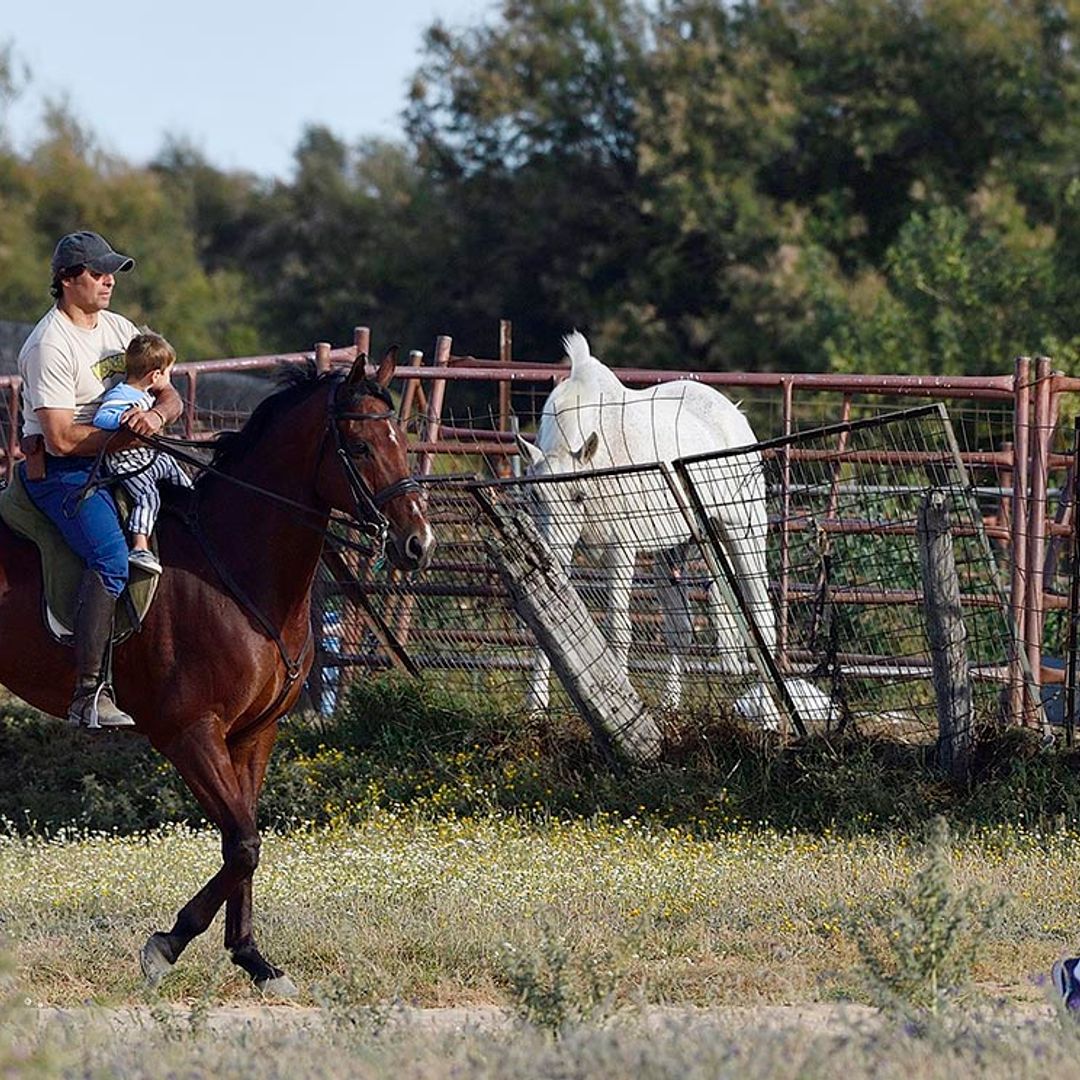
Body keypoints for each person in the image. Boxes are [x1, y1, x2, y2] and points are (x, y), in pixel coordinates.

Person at [17, 231, 183, 729]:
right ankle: (89, 693)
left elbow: (168, 394)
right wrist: (127, 441)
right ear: (68, 280)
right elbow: (64, 439)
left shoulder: (120, 327)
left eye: (112, 271)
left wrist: (158, 418)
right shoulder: (49, 344)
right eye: (97, 272)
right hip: (64, 473)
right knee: (110, 558)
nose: (109, 280)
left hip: (125, 455)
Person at [93, 331, 192, 576]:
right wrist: (123, 418)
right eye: (167, 374)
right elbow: (101, 417)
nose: (168, 379)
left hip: (148, 455)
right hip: (126, 460)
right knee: (148, 496)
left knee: (176, 471)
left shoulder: (145, 395)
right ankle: (140, 546)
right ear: (155, 375)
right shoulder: (123, 395)